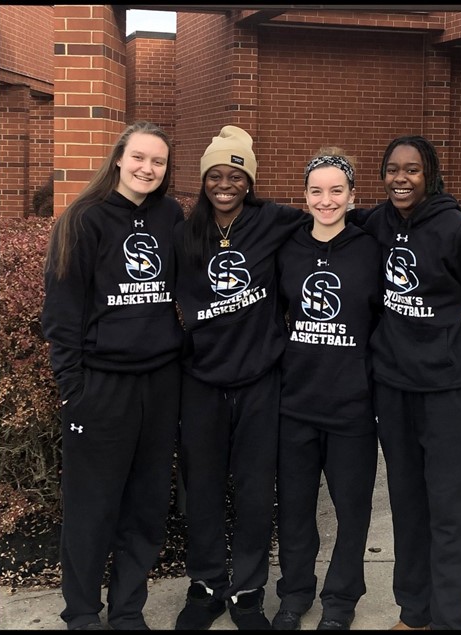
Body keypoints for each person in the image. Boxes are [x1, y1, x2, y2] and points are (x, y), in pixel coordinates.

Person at [352, 135, 461, 630]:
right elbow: (324, 222)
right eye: (392, 169)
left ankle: (447, 620)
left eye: (412, 170)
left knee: (449, 513)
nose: (401, 178)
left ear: (430, 174)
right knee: (407, 507)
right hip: (394, 388)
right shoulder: (376, 222)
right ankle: (414, 614)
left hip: (447, 390)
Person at [41, 122, 184, 631]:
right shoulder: (84, 220)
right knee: (92, 509)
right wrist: (74, 391)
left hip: (161, 385)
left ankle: (128, 611)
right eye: (140, 157)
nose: (148, 168)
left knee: (146, 507)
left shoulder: (170, 217)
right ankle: (82, 613)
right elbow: (60, 315)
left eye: (159, 162)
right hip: (101, 388)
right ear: (119, 158)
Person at [171, 125, 310, 630]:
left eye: (235, 175)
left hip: (258, 380)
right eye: (215, 175)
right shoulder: (186, 230)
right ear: (204, 179)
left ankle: (248, 591)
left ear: (249, 181)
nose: (225, 184)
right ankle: (206, 586)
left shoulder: (273, 220)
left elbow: (340, 225)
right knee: (202, 488)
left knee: (255, 490)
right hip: (202, 380)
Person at [271, 149, 382, 631]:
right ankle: (295, 594)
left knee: (352, 511)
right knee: (295, 512)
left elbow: (402, 304)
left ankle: (341, 599)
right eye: (317, 190)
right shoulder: (287, 248)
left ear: (353, 196)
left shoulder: (371, 248)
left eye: (337, 190)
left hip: (353, 407)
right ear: (305, 195)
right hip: (295, 403)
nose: (326, 199)